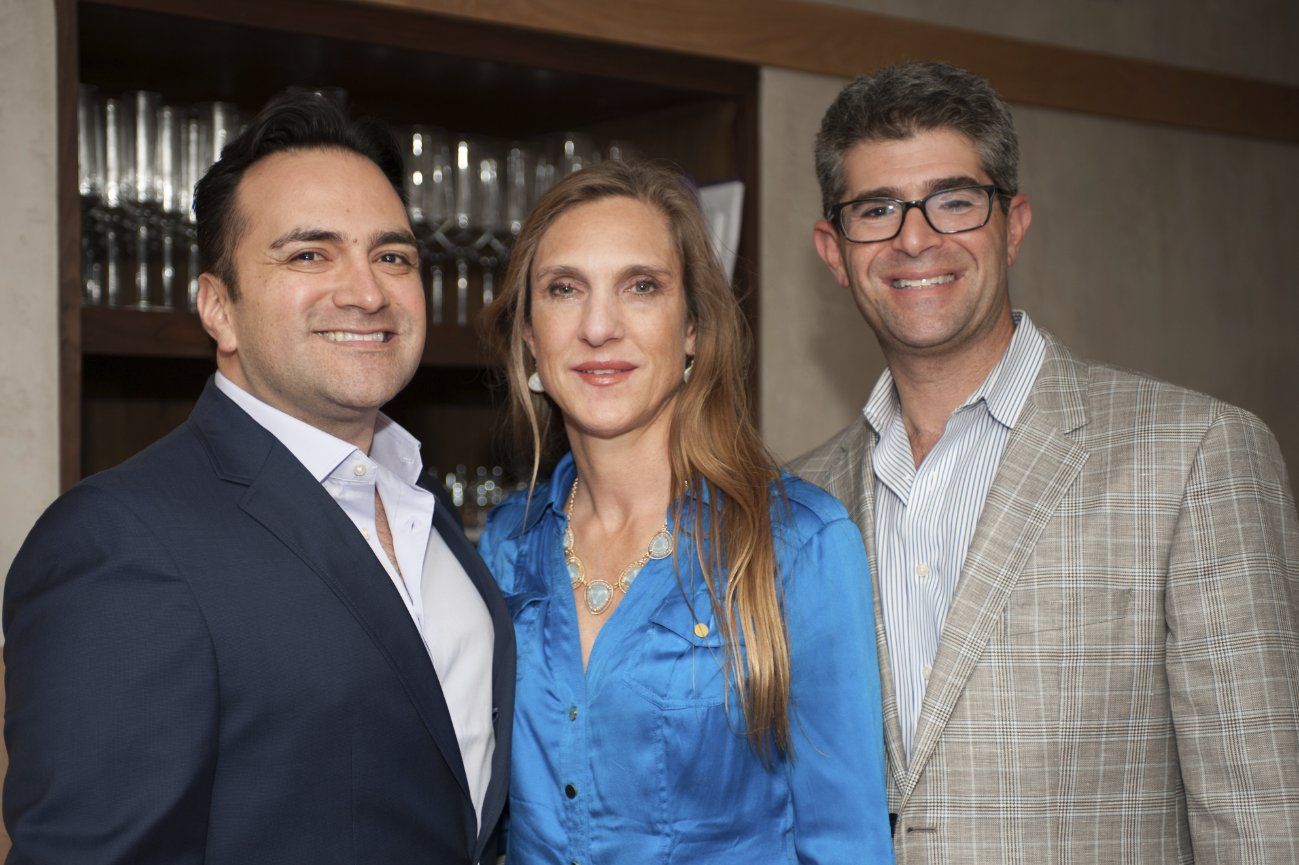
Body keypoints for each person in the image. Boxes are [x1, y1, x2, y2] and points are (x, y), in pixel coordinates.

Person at [792, 60, 1299, 862]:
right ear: (833, 247)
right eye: (876, 208)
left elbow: (1260, 815)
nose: (914, 238)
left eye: (953, 201)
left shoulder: (1194, 454)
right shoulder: (800, 500)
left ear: (1012, 222)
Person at [3, 91, 513, 864]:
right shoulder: (118, 540)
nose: (367, 291)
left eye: (392, 255)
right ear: (218, 308)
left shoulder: (419, 502)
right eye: (309, 254)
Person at [478, 160, 894, 864]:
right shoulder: (504, 545)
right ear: (528, 336)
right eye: (563, 290)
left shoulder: (798, 543)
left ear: (694, 327)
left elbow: (846, 844)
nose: (598, 326)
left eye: (640, 287)